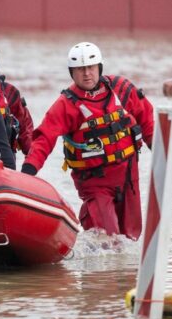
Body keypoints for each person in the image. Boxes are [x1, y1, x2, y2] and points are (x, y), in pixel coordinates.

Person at [21, 42, 154, 240]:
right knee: (108, 239)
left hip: (128, 177)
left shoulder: (121, 89)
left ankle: (124, 272)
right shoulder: (66, 105)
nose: (87, 74)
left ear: (99, 68)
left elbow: (147, 121)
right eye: (80, 69)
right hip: (95, 181)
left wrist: (164, 154)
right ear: (71, 73)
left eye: (91, 68)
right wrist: (28, 173)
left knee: (132, 237)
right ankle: (99, 268)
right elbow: (44, 139)